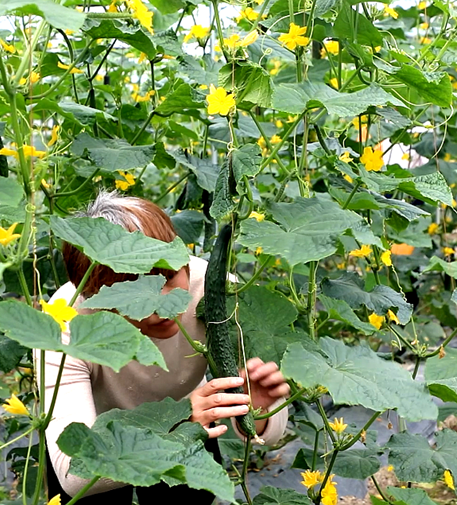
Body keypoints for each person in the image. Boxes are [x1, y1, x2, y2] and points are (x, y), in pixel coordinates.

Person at [35, 191, 291, 504]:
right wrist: (177, 424)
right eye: (135, 291)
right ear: (91, 294)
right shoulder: (62, 324)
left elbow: (268, 435)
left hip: (191, 419)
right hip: (104, 444)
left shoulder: (216, 291)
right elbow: (75, 475)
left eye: (169, 277)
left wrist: (259, 409)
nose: (162, 304)